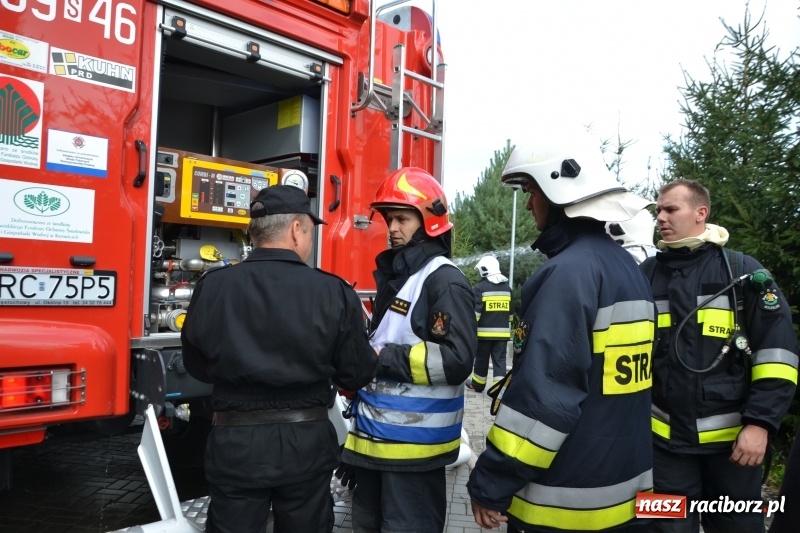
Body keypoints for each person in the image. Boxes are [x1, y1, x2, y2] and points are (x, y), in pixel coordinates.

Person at [467, 139, 657, 532]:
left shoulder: (569, 274)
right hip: (623, 494)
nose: (530, 203)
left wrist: (490, 484)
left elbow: (544, 401)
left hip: (563, 502)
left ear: (557, 194)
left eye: (532, 191)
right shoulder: (626, 267)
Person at [181, 185, 378, 533]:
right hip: (305, 443)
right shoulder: (333, 291)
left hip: (235, 443)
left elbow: (196, 366)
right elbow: (356, 373)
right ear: (296, 229)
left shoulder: (212, 286)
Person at [643, 179, 798, 533]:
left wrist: (760, 424)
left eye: (670, 209)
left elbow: (779, 354)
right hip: (662, 450)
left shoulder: (744, 274)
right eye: (658, 211)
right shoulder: (646, 275)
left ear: (701, 213)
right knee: (663, 529)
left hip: (734, 453)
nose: (661, 218)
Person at [339, 167, 477, 533]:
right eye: (389, 219)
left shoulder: (443, 280)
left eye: (402, 218)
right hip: (375, 446)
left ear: (429, 220)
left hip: (414, 452)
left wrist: (381, 358)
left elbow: (456, 360)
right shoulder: (402, 276)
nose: (393, 228)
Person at [466, 255, 512, 393]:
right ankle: (499, 390)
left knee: (481, 359)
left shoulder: (480, 288)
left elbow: (476, 314)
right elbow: (510, 314)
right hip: (502, 335)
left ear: (485, 269)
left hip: (484, 334)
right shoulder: (507, 289)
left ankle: (478, 385)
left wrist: (470, 327)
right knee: (500, 361)